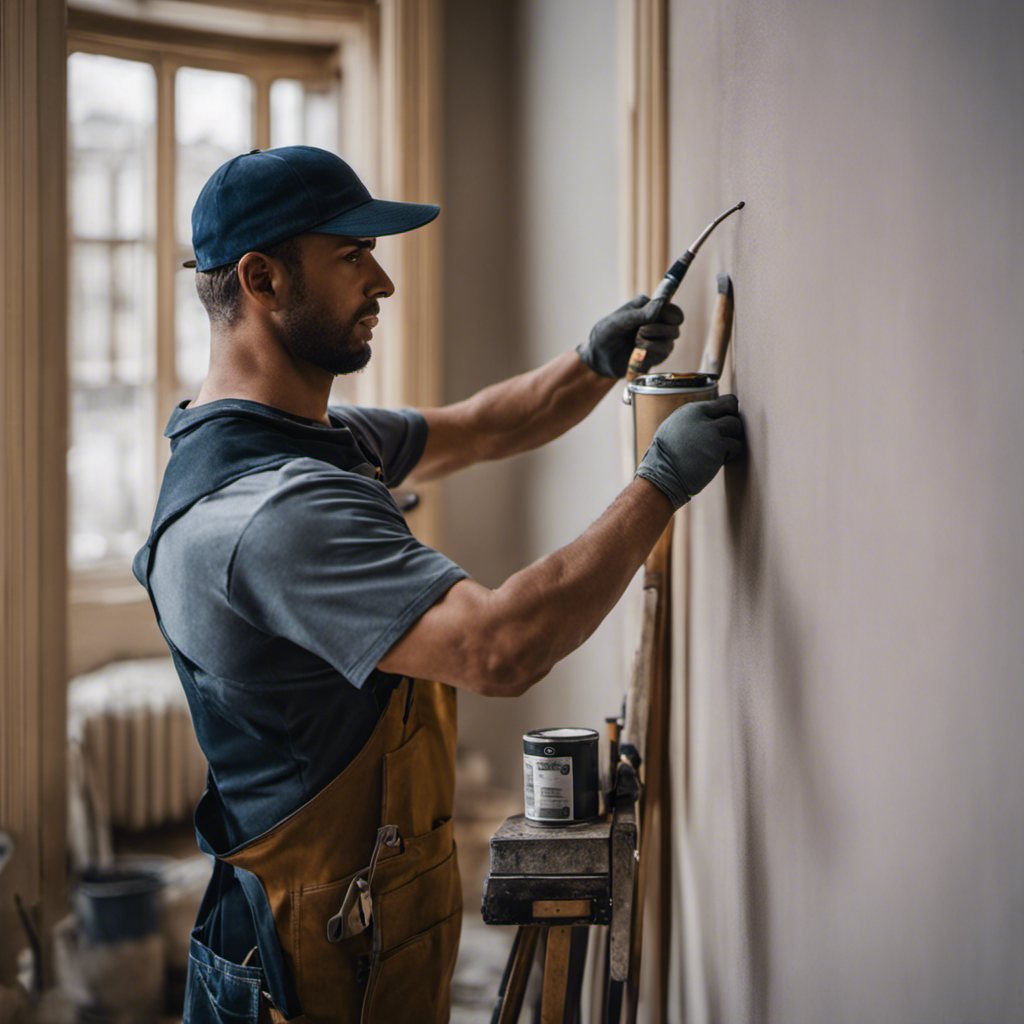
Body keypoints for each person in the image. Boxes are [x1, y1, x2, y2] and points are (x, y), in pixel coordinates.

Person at [134, 145, 744, 1024]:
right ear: (261, 280)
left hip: (361, 924)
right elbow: (500, 646)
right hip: (305, 965)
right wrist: (658, 485)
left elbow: (479, 428)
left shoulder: (297, 436)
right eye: (351, 255)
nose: (381, 281)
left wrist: (592, 361)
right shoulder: (276, 511)